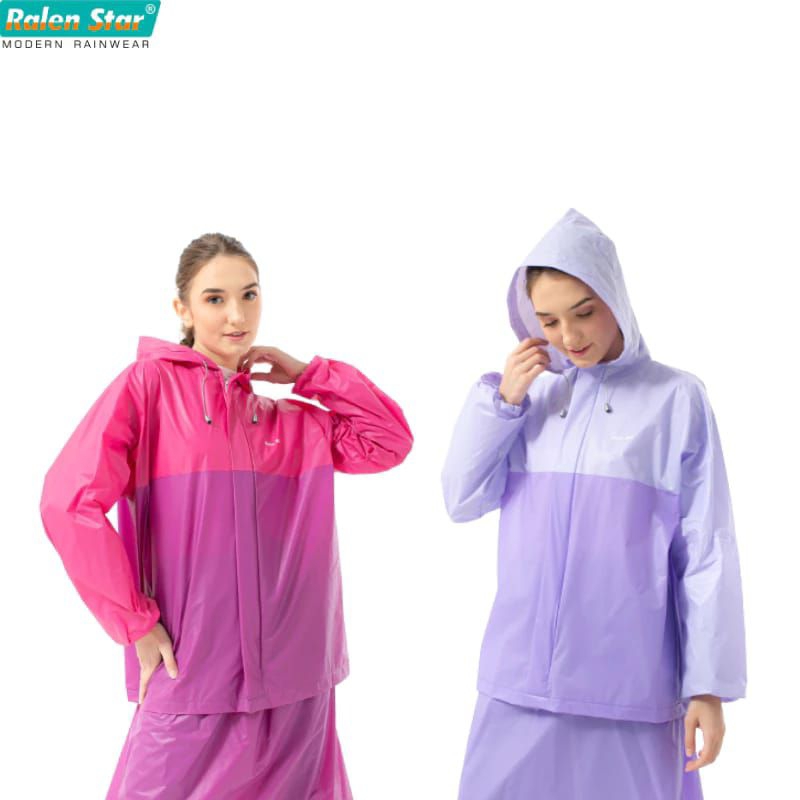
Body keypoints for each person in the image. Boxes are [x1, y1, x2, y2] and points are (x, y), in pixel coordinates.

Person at [39, 232, 414, 799]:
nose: (236, 315)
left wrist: (309, 373)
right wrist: (135, 622)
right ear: (183, 309)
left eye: (249, 295)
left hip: (297, 680)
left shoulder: (291, 420)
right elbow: (68, 501)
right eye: (215, 298)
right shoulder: (149, 388)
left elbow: (388, 441)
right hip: (194, 671)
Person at [441, 208, 746, 799]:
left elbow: (706, 549)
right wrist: (501, 403)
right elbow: (462, 497)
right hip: (519, 680)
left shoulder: (675, 398)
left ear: (616, 298)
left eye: (584, 312)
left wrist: (707, 687)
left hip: (630, 685)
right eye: (549, 321)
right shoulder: (528, 399)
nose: (569, 336)